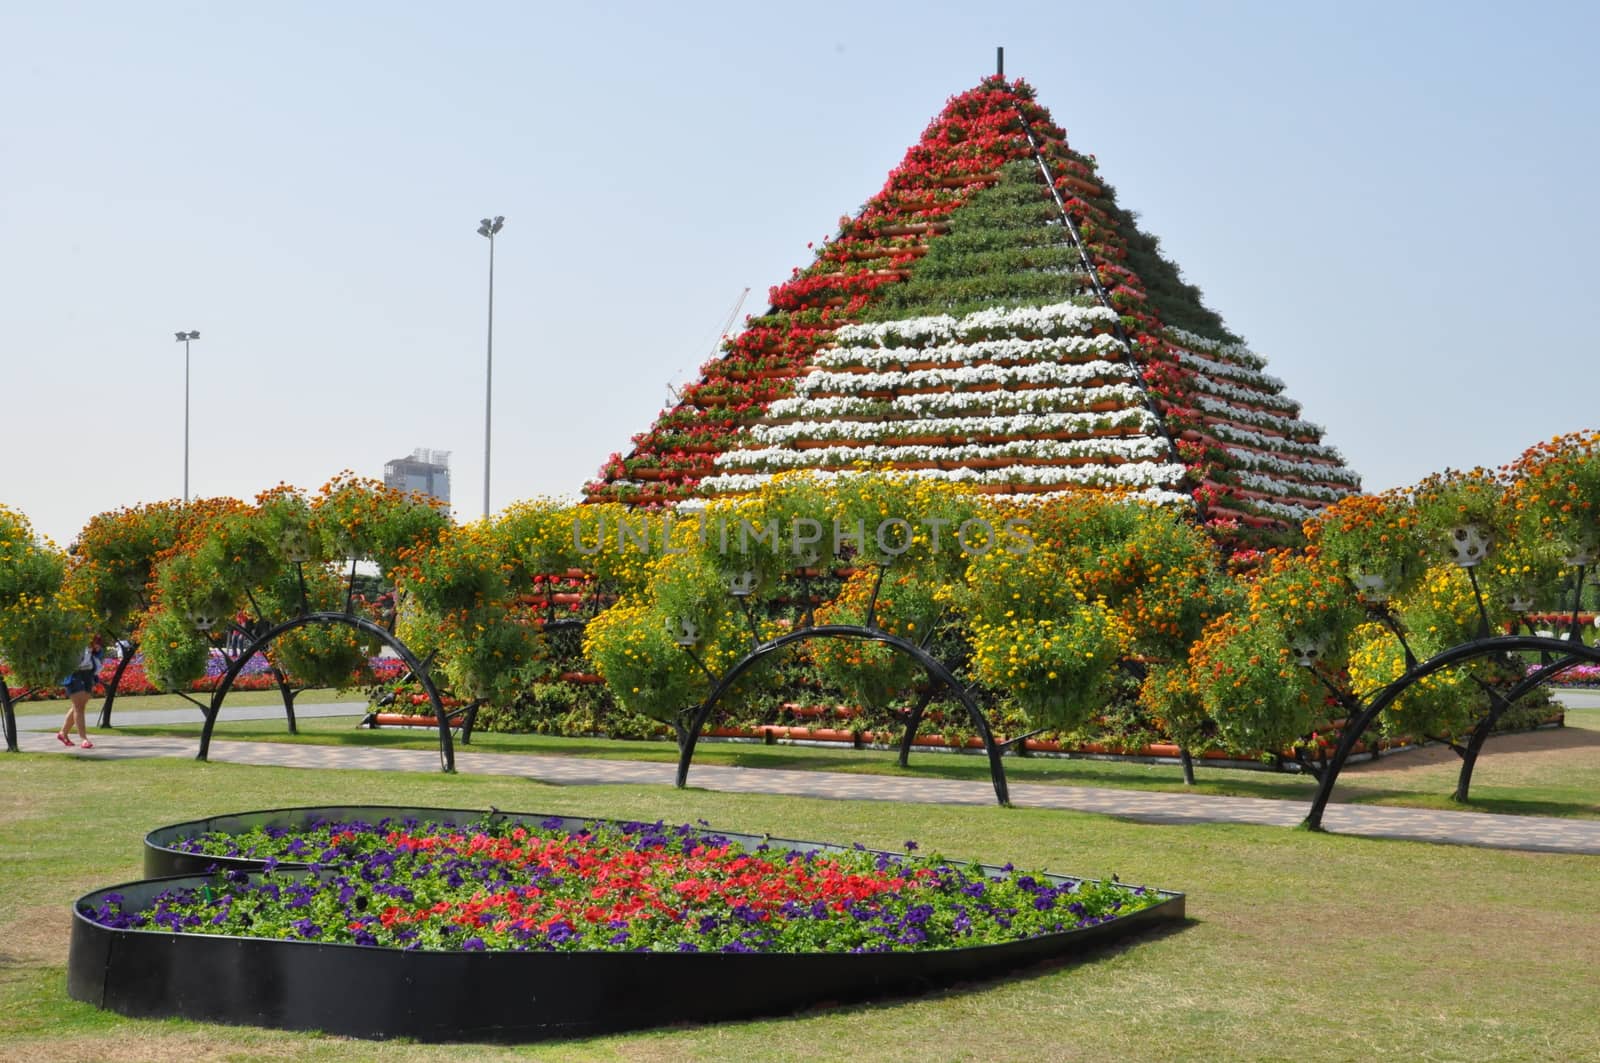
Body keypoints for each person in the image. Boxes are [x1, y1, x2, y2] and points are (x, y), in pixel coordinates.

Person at [56, 635, 104, 749]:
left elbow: (97, 653)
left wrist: (97, 648)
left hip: (88, 673)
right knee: (79, 707)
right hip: (74, 673)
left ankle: (63, 733)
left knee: (78, 706)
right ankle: (84, 739)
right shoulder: (70, 634)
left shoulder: (91, 635)